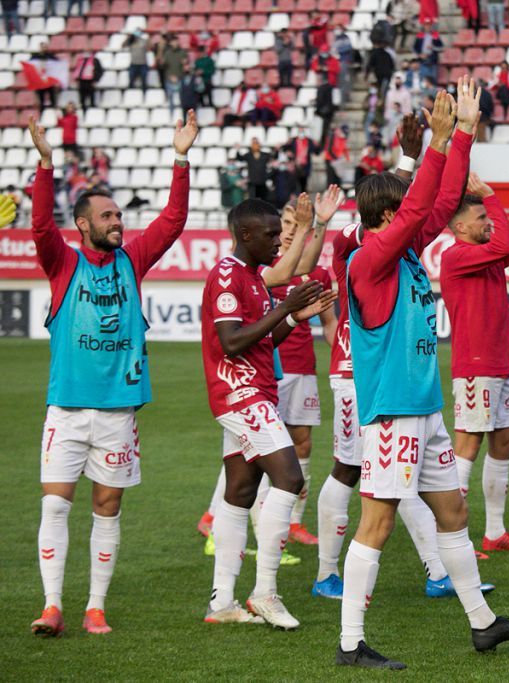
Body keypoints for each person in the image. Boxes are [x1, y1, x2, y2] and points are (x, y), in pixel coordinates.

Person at [337, 81, 509, 669]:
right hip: (393, 412)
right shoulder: (368, 260)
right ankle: (350, 642)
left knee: (453, 513)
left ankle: (483, 624)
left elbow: (444, 193)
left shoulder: (400, 253)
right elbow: (424, 199)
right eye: (403, 206)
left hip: (423, 409)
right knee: (375, 522)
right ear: (384, 214)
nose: (417, 213)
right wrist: (438, 141)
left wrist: (464, 137)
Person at [26, 110, 198, 637]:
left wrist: (180, 157)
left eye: (119, 215)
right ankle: (52, 605)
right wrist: (47, 166)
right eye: (107, 217)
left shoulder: (133, 258)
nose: (117, 222)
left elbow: (171, 221)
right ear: (82, 224)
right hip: (68, 410)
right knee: (56, 504)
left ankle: (94, 607)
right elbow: (38, 226)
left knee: (107, 508)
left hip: (118, 413)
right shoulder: (62, 264)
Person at [200, 193, 338, 629]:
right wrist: (286, 307)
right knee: (290, 478)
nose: (279, 241)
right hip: (239, 392)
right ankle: (264, 593)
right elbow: (231, 342)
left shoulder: (255, 278)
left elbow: (260, 341)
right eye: (271, 234)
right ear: (245, 235)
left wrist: (295, 320)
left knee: (239, 493)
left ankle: (222, 601)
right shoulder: (227, 275)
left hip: (255, 389)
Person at [441, 165, 509, 555]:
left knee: (503, 442)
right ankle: (453, 534)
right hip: (475, 367)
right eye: (481, 219)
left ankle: (494, 531)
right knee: (468, 445)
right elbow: (507, 246)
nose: (488, 223)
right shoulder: (457, 255)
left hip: (499, 364)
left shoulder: (484, 256)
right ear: (459, 227)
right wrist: (491, 194)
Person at [266, 189, 341, 548]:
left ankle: (294, 522)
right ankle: (221, 515)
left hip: (303, 370)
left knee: (303, 443)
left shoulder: (317, 274)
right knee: (260, 447)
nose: (291, 230)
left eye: (298, 224)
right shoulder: (266, 269)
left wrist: (344, 350)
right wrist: (320, 224)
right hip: (269, 368)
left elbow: (329, 322)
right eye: (286, 223)